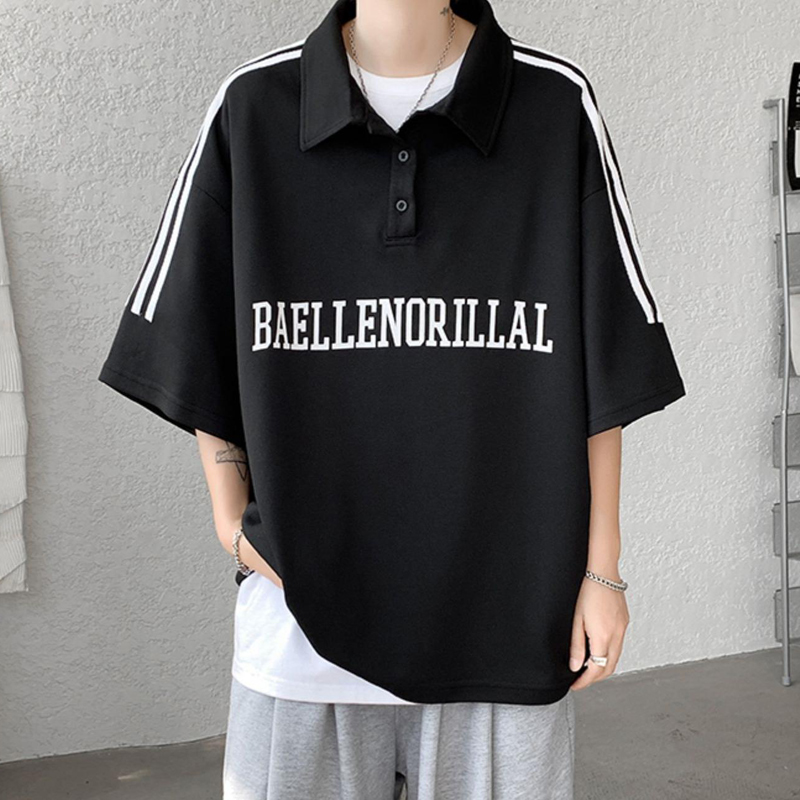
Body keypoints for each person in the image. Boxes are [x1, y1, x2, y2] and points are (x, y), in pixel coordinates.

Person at [98, 0, 687, 797]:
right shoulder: (254, 107)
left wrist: (602, 572)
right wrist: (229, 522)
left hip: (506, 618)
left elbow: (605, 365)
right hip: (297, 628)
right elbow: (193, 337)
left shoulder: (553, 104)